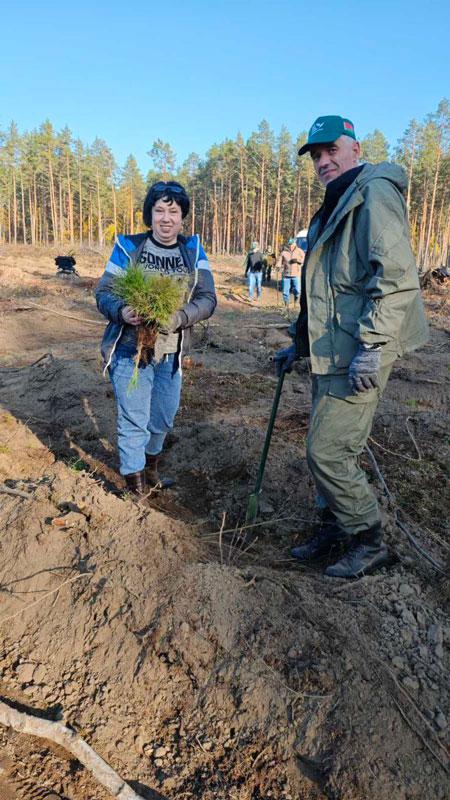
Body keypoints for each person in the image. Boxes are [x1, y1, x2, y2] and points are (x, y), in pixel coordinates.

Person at [274, 115, 428, 579]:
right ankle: (336, 527)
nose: (323, 161)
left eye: (331, 150)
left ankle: (368, 540)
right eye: (316, 155)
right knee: (331, 444)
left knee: (327, 451)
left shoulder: (373, 194)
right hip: (333, 347)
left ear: (355, 149)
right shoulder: (334, 203)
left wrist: (373, 347)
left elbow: (396, 276)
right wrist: (299, 345)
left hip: (360, 349)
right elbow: (321, 288)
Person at [96, 181, 217, 496]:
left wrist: (180, 317)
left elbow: (207, 299)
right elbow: (104, 292)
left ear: (182, 217)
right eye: (159, 210)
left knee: (163, 415)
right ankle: (135, 485)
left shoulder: (192, 252)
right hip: (130, 351)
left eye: (173, 212)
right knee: (134, 418)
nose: (166, 218)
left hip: (170, 353)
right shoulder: (129, 247)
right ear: (149, 215)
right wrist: (122, 311)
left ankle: (151, 468)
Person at [276, 237, 305, 307]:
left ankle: (296, 301)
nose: (291, 246)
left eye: (292, 244)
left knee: (297, 290)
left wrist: (298, 261)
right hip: (286, 274)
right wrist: (278, 266)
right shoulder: (284, 252)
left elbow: (304, 259)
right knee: (285, 291)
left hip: (296, 274)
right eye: (290, 244)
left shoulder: (300, 251)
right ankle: (286, 305)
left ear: (295, 244)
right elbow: (279, 260)